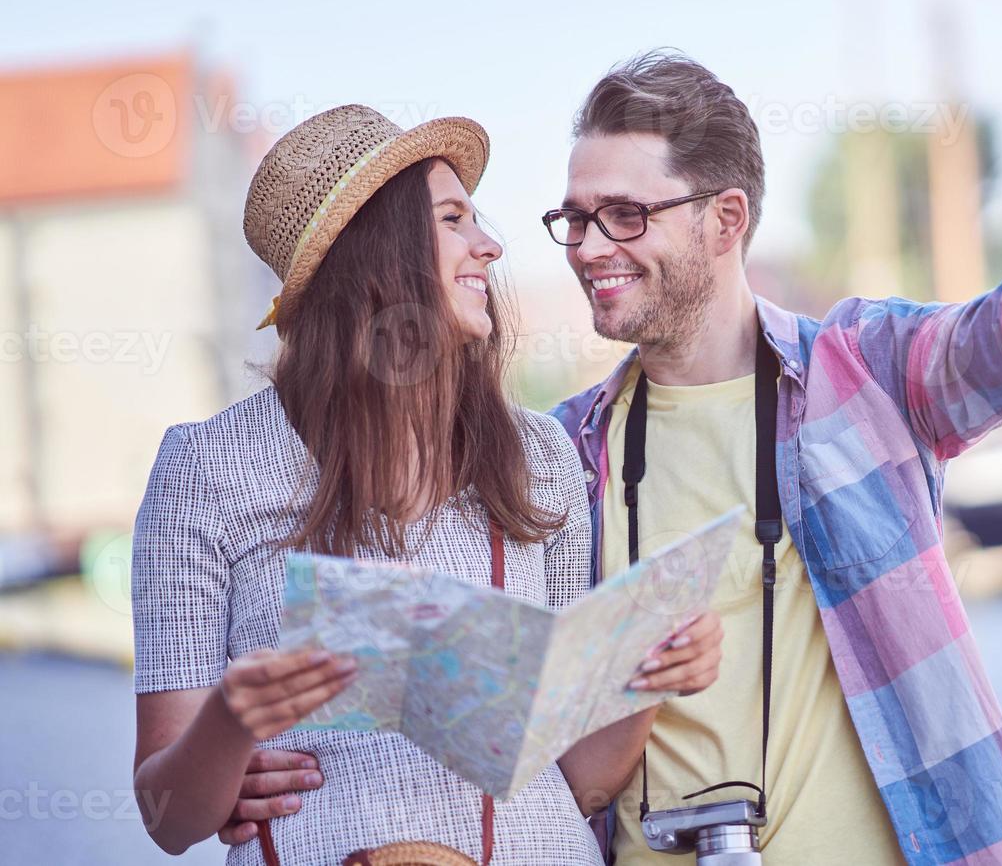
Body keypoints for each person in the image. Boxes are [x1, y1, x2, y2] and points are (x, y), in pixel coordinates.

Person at [223, 55, 1002, 864]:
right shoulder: (557, 455)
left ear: (725, 218)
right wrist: (259, 770)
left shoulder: (864, 373)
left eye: (625, 213)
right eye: (574, 218)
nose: (589, 244)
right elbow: (490, 707)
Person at [130, 105, 723, 866]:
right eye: (453, 219)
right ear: (378, 250)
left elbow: (581, 783)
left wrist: (645, 679)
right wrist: (231, 722)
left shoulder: (540, 454)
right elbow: (167, 818)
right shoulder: (206, 467)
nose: (491, 245)